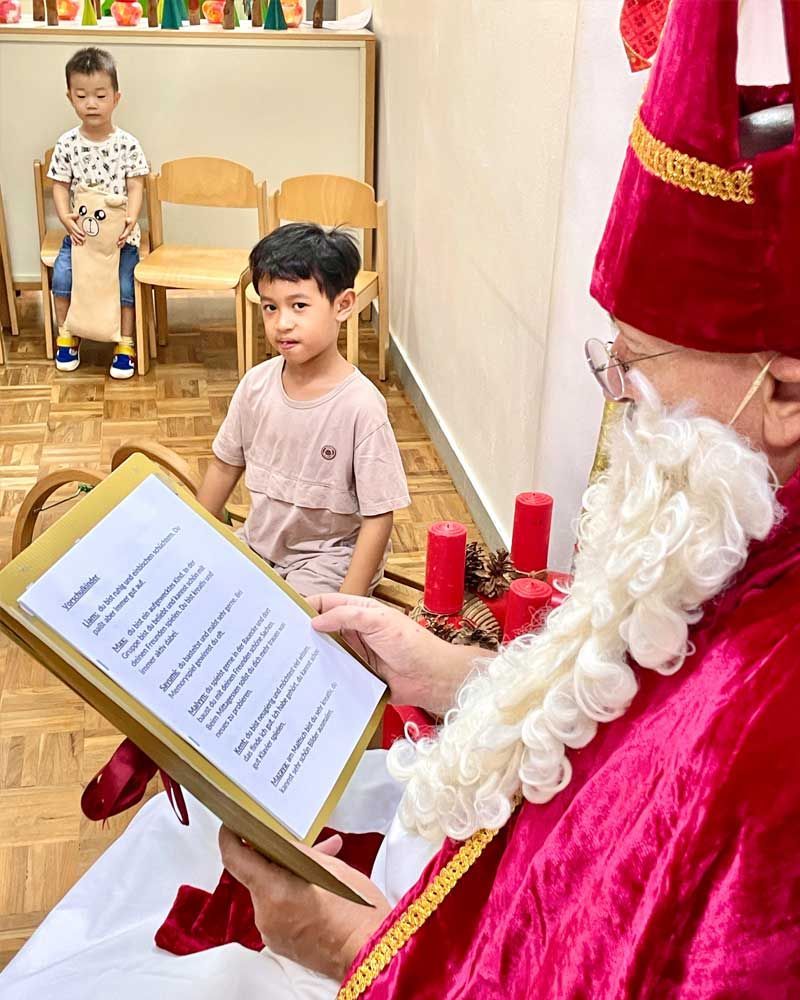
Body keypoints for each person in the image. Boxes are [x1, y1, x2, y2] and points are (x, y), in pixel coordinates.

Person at [196, 223, 410, 597]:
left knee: (289, 628)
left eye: (298, 305)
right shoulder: (255, 385)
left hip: (330, 559)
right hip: (261, 544)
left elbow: (379, 517)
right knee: (204, 596)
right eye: (269, 307)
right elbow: (224, 465)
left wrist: (347, 604)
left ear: (342, 305)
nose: (282, 323)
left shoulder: (360, 406)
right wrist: (191, 539)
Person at [49, 47, 149, 379]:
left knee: (124, 284)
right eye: (82, 95)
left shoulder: (128, 145)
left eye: (100, 95)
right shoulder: (66, 144)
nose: (91, 103)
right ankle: (67, 333)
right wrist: (65, 217)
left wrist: (132, 218)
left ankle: (125, 342)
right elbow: (60, 186)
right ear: (70, 98)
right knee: (63, 277)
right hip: (80, 238)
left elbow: (136, 186)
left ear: (116, 98)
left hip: (121, 239)